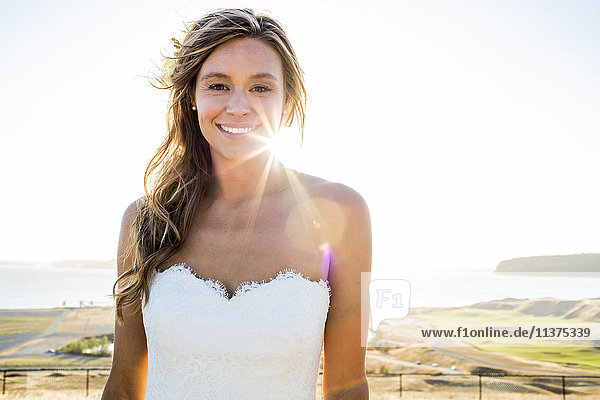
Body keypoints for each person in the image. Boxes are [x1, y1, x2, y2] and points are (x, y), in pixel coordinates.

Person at [101, 8, 371, 400]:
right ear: (192, 98)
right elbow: (125, 382)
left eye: (261, 88)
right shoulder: (146, 220)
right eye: (218, 85)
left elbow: (349, 385)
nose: (239, 107)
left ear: (287, 100)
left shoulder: (341, 213)